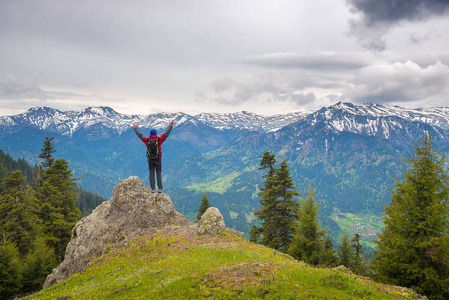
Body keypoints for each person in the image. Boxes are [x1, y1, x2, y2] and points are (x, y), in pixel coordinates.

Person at [133, 120, 174, 193]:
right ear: (155, 134)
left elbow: (140, 135)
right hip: (158, 159)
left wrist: (135, 128)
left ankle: (152, 189)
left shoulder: (147, 140)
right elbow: (166, 134)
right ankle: (160, 188)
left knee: (151, 174)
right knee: (158, 173)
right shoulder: (159, 140)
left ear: (150, 134)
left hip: (150, 159)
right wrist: (171, 126)